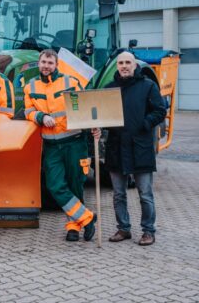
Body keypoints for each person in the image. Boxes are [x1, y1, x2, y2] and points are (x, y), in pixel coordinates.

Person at [24, 49, 96, 242]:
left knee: (75, 184)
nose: (46, 66)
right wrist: (41, 116)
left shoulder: (71, 83)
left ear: (56, 65)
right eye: (43, 62)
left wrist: (94, 127)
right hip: (51, 147)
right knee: (55, 185)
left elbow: (84, 108)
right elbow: (28, 110)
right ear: (38, 64)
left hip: (74, 143)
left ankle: (73, 226)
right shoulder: (30, 87)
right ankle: (86, 218)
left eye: (50, 63)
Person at [100, 51, 166, 246]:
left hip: (140, 148)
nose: (124, 66)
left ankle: (148, 231)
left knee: (145, 194)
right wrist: (96, 126)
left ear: (135, 65)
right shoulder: (109, 89)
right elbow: (98, 114)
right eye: (121, 63)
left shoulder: (148, 86)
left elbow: (160, 111)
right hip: (116, 147)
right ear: (117, 66)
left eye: (128, 62)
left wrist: (144, 124)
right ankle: (123, 229)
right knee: (118, 194)